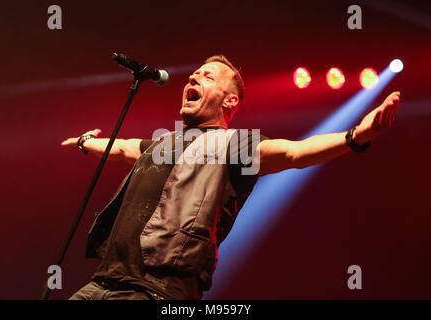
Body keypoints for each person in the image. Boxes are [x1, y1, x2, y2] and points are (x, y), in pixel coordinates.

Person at [61, 55, 401, 300]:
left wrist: (355, 136)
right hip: (103, 283)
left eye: (207, 76)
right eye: (194, 73)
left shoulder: (235, 145)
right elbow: (123, 148)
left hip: (157, 291)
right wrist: (86, 141)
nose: (193, 78)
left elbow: (295, 153)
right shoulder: (164, 142)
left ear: (230, 100)